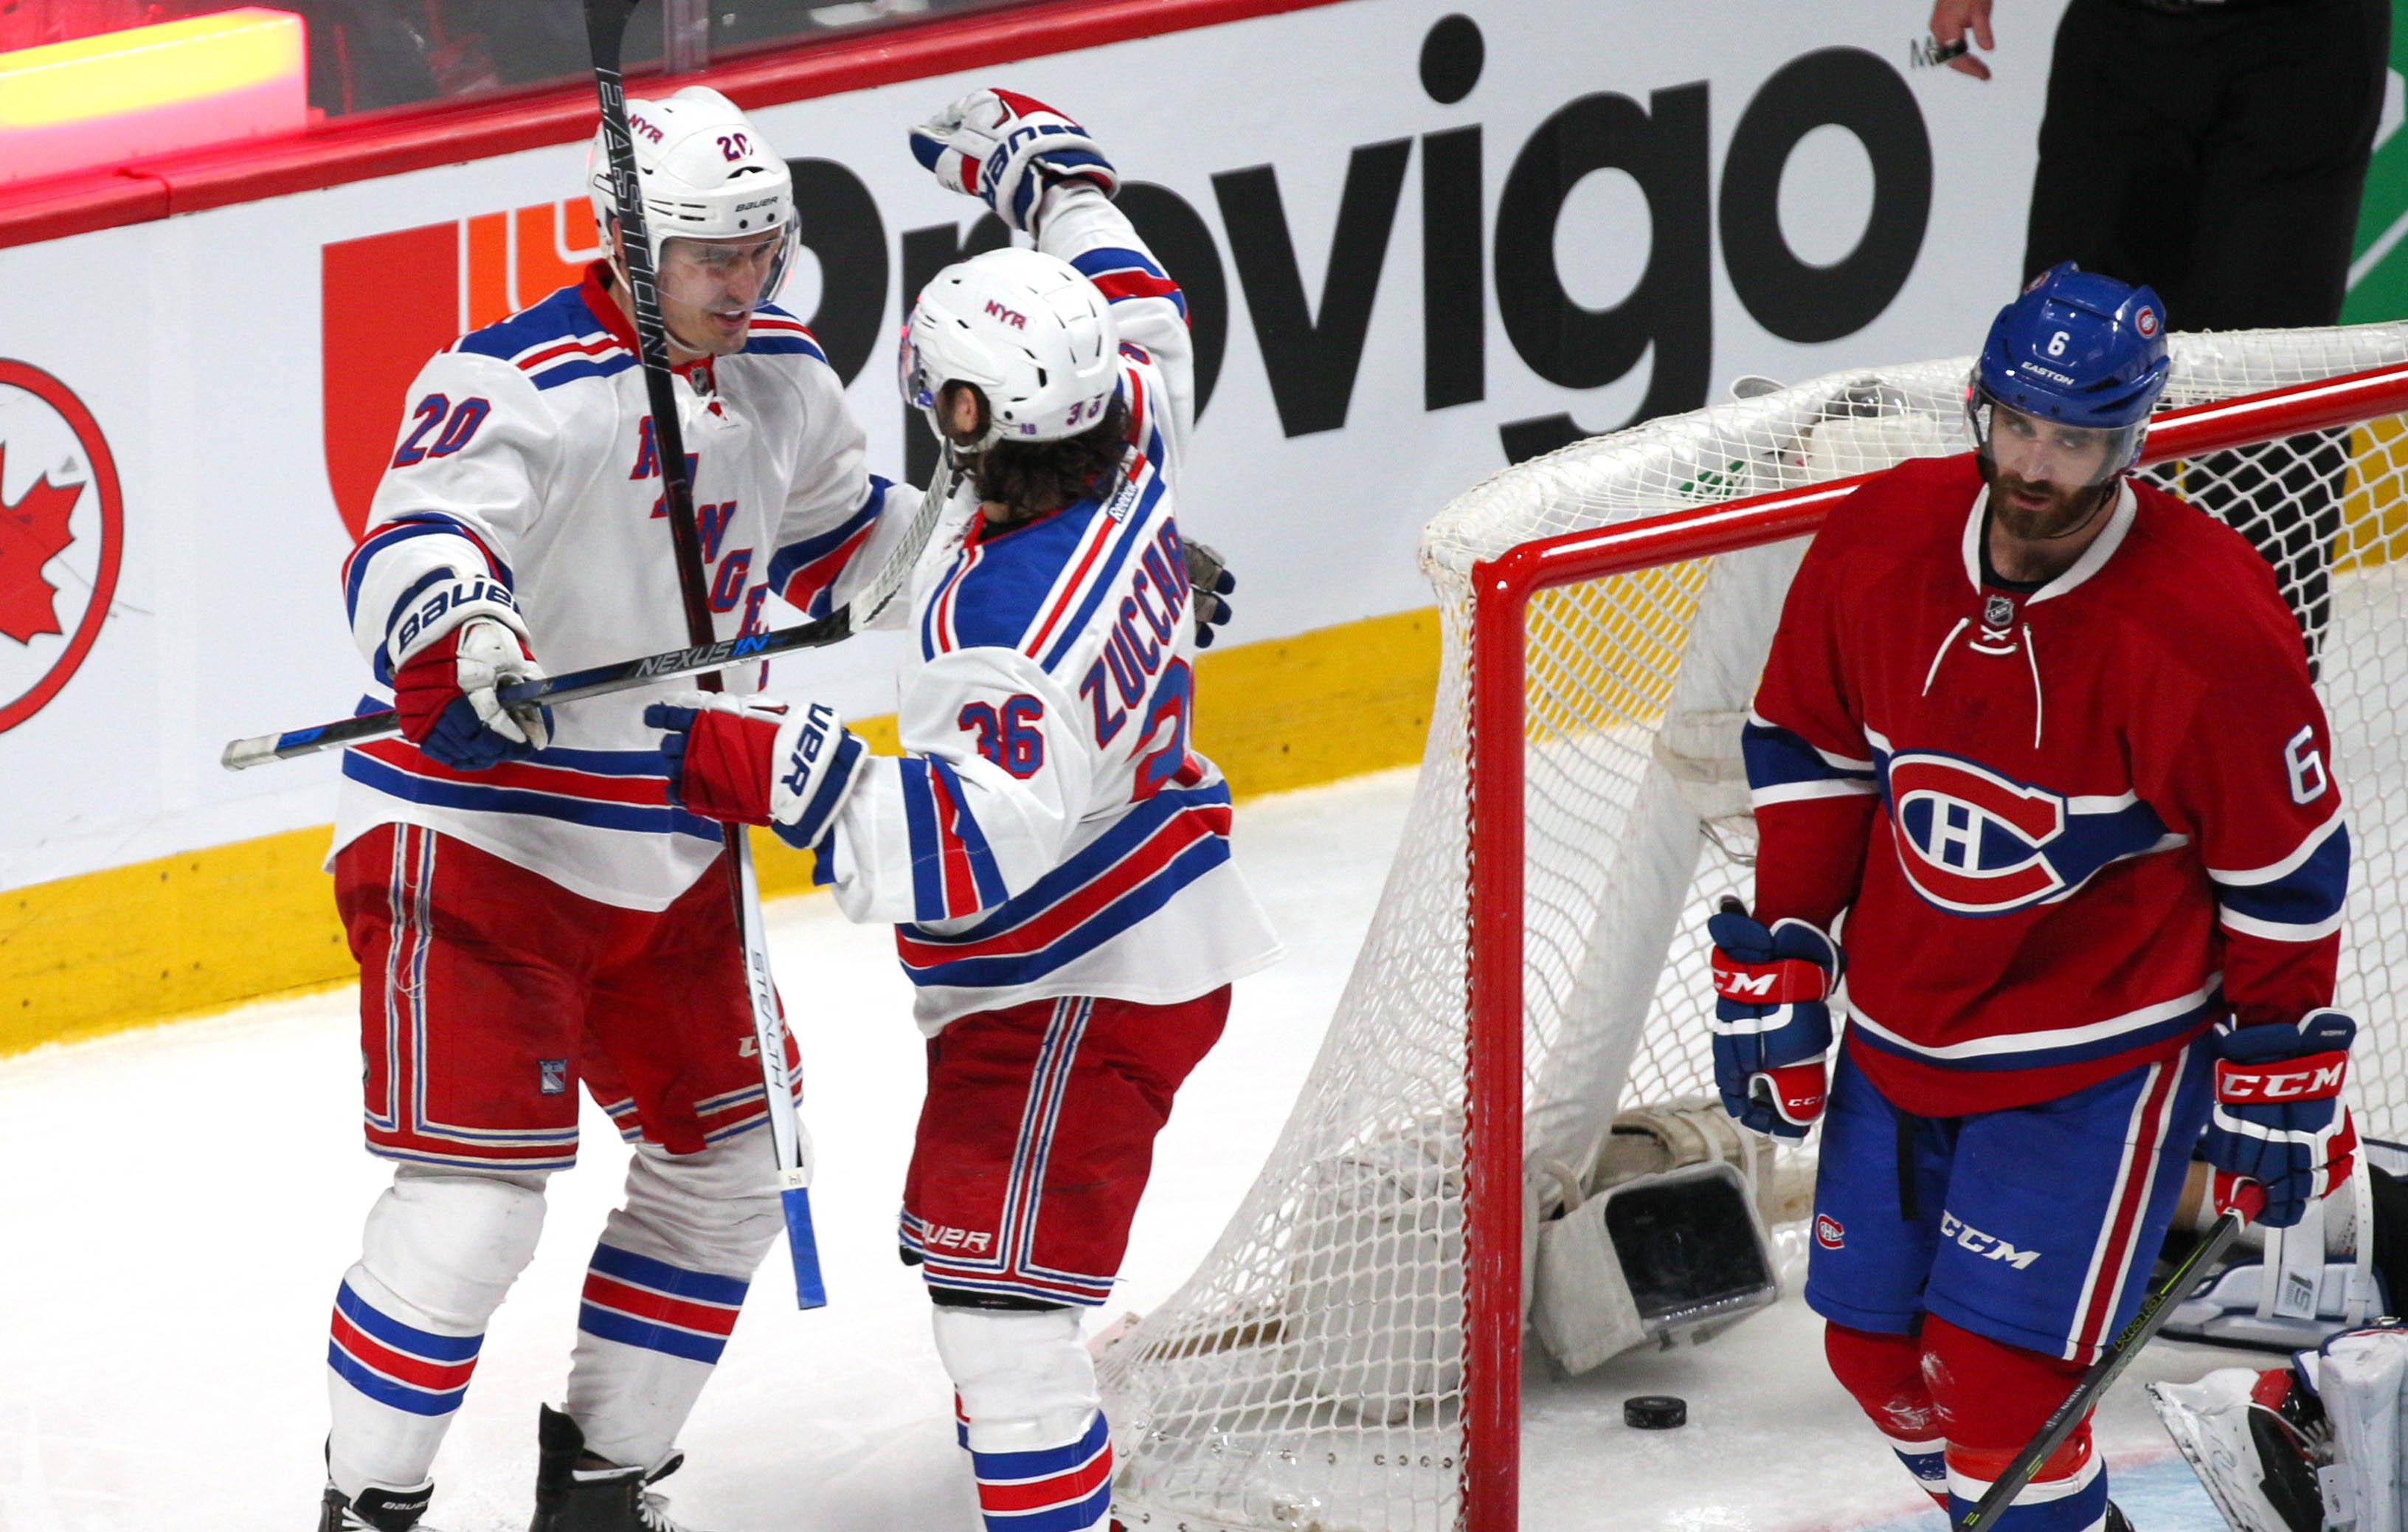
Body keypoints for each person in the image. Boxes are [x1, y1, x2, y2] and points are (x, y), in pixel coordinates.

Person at [648, 89, 1282, 1532]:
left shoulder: (1007, 632)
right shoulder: (1134, 422)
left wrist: (758, 758)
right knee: (986, 1276)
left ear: (964, 414)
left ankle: (1049, 1475)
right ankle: (1036, 1447)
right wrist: (1043, 168)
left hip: (1074, 981)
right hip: (1132, 937)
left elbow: (948, 857)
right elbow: (1139, 289)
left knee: (1000, 1319)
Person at [318, 85, 921, 1532]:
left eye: (763, 249)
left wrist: (1052, 531)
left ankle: (598, 1491)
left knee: (728, 1170)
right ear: (628, 241)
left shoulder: (780, 373)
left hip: (661, 847)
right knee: (475, 1215)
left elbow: (864, 554)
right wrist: (465, 628)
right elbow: (413, 533)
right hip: (480, 845)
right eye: (713, 256)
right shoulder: (516, 378)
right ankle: (364, 1512)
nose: (747, 282)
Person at [1708, 264, 2359, 1531]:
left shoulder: (2202, 622)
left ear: (2129, 438)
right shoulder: (1881, 537)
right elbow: (1810, 742)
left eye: (2073, 439)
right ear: (1979, 406)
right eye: (2016, 425)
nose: (2036, 464)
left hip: (2096, 1055)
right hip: (1904, 1030)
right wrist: (1788, 950)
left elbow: (2282, 866)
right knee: (1871, 1358)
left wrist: (2273, 1069)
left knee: (2002, 1393)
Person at [1926, 0, 2391, 677]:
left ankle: (2252, 697)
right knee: (2059, 363)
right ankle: (2032, 657)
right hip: (2124, 33)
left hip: (2306, 44)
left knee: (2260, 392)